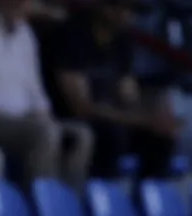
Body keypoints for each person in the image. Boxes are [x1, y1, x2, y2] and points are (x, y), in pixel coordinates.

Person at [0, 0, 94, 187]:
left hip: (23, 120)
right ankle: (42, 206)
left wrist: (42, 111)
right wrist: (22, 118)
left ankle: (70, 207)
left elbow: (34, 87)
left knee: (81, 135)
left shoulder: (25, 33)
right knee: (44, 133)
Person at [51, 0, 181, 178]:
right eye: (126, 9)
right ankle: (99, 199)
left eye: (133, 11)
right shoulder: (71, 35)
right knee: (111, 135)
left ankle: (146, 199)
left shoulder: (122, 40)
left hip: (113, 119)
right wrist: (135, 119)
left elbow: (128, 95)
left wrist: (153, 117)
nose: (130, 17)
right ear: (105, 7)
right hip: (69, 120)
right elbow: (81, 107)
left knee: (160, 138)